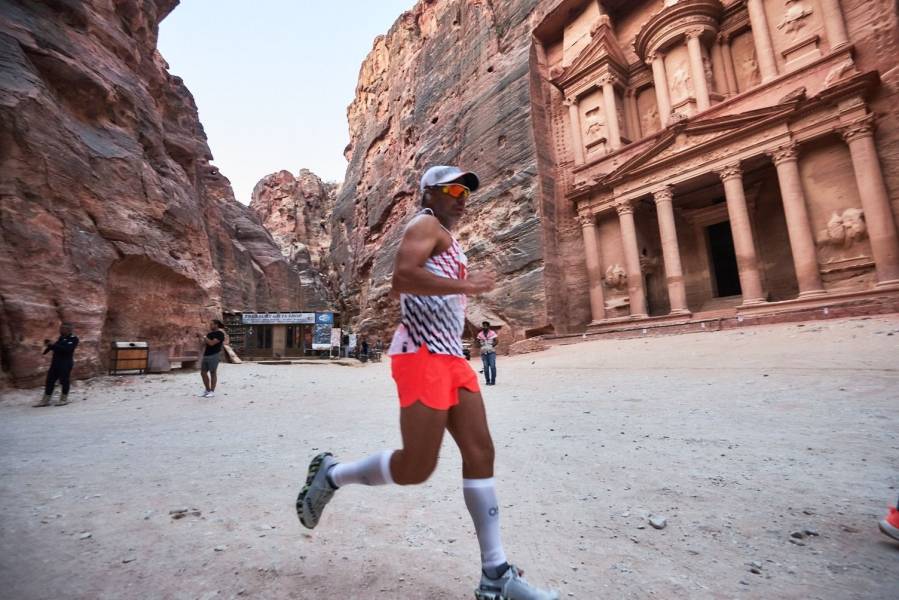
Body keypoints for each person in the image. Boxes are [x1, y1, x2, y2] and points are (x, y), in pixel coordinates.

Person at [296, 166, 559, 600]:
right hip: (421, 356)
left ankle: (495, 575)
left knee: (480, 452)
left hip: (452, 357)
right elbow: (403, 278)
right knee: (416, 468)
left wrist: (457, 290)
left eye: (466, 192)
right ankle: (332, 474)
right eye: (453, 189)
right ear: (429, 193)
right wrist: (464, 284)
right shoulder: (425, 225)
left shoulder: (449, 238)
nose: (461, 197)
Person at [34, 322, 79, 407]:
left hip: (65, 363)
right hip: (55, 363)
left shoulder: (74, 339)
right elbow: (56, 348)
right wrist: (48, 346)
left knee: (64, 380)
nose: (60, 330)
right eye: (60, 328)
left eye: (63, 329)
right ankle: (45, 400)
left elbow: (67, 350)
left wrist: (53, 345)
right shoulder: (61, 338)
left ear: (69, 330)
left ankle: (63, 399)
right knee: (49, 381)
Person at [198, 319, 225, 398]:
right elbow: (203, 344)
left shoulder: (220, 334)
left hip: (214, 355)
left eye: (212, 324)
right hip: (206, 355)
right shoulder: (209, 334)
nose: (210, 326)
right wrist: (200, 338)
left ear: (216, 325)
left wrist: (203, 336)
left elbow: (211, 343)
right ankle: (207, 390)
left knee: (213, 373)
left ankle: (212, 391)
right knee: (203, 373)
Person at [477, 321, 499, 385]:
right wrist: (481, 345)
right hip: (483, 353)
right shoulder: (480, 334)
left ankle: (493, 381)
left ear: (488, 327)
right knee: (486, 367)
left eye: (486, 326)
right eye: (483, 326)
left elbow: (497, 341)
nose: (485, 327)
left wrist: (492, 345)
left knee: (492, 366)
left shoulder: (492, 333)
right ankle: (487, 381)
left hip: (491, 352)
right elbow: (477, 341)